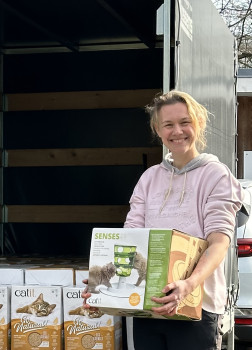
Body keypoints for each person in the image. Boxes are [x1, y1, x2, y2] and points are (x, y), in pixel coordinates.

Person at [83, 90, 243, 350]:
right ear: (158, 129)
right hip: (147, 306)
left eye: (185, 122)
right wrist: (102, 277)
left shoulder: (216, 175)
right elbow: (130, 240)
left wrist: (188, 284)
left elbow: (219, 242)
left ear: (198, 123)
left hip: (197, 308)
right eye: (168, 125)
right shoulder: (149, 179)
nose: (177, 131)